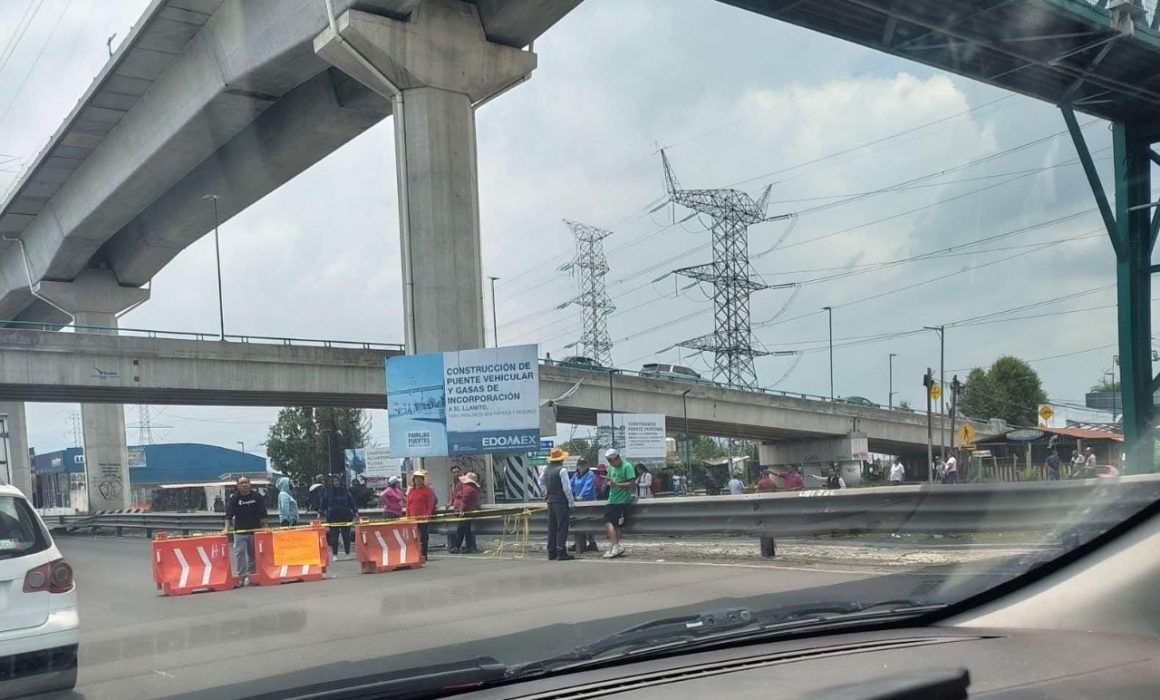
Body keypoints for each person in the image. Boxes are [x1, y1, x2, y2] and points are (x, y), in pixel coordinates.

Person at [223, 476, 264, 586]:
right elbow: (228, 515)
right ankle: (241, 577)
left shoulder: (257, 496)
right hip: (240, 531)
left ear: (250, 484)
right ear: (237, 486)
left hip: (255, 531)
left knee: (254, 554)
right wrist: (226, 528)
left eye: (246, 482)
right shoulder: (234, 498)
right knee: (240, 553)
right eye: (241, 483)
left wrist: (265, 528)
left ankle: (253, 575)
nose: (244, 485)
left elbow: (263, 514)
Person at [539, 447, 576, 560]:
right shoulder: (562, 470)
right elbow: (567, 489)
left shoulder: (546, 469)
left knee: (552, 527)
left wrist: (546, 492)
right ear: (561, 459)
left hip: (550, 501)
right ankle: (561, 551)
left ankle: (551, 551)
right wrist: (571, 503)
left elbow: (540, 481)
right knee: (562, 527)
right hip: (561, 501)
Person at [601, 449, 635, 559]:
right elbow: (609, 480)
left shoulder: (627, 466)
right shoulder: (611, 468)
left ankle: (615, 545)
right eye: (609, 461)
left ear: (617, 458)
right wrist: (608, 482)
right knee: (610, 523)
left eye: (611, 460)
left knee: (612, 523)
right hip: (612, 499)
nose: (610, 463)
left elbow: (632, 484)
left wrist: (618, 485)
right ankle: (615, 545)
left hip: (622, 500)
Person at [320, 475, 357, 559]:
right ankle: (335, 555)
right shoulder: (328, 491)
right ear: (332, 483)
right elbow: (324, 502)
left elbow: (351, 501)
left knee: (346, 536)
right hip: (332, 516)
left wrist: (355, 511)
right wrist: (320, 512)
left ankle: (347, 554)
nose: (336, 483)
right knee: (334, 536)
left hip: (345, 516)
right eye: (334, 481)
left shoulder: (345, 490)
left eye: (337, 481)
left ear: (340, 481)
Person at [405, 469, 436, 561]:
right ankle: (414, 554)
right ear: (414, 480)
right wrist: (408, 516)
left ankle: (424, 554)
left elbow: (430, 504)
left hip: (423, 518)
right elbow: (408, 505)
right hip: (412, 518)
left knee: (424, 537)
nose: (418, 480)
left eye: (420, 478)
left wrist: (427, 515)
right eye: (416, 478)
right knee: (413, 537)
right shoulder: (411, 491)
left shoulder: (427, 490)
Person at [569, 458, 598, 553]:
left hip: (588, 502)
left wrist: (581, 496)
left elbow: (587, 487)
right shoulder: (575, 475)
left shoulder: (590, 474)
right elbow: (570, 485)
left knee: (589, 522)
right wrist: (572, 495)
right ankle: (578, 543)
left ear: (587, 465)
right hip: (578, 503)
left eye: (584, 464)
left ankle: (592, 543)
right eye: (580, 464)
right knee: (577, 522)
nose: (582, 466)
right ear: (577, 465)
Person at [450, 471, 482, 554]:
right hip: (470, 510)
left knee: (461, 529)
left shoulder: (468, 488)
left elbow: (464, 501)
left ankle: (457, 546)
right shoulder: (472, 488)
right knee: (467, 529)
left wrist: (461, 511)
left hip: (467, 511)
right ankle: (469, 546)